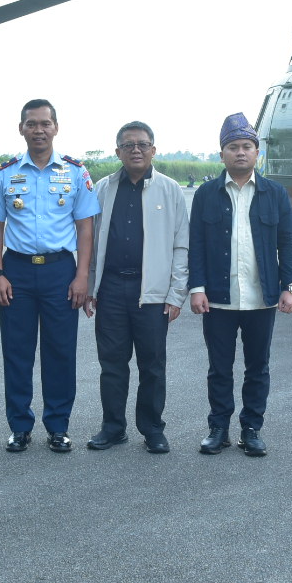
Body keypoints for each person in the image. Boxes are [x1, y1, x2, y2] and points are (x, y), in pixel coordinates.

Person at [0, 99, 100, 453]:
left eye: (45, 123)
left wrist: (82, 277)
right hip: (15, 270)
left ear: (56, 127)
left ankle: (58, 427)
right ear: (21, 128)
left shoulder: (76, 173)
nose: (38, 129)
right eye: (31, 123)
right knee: (17, 352)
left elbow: (85, 229)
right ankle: (20, 426)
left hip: (60, 270)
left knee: (60, 351)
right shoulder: (4, 174)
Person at [188, 112, 292, 457]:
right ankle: (218, 428)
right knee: (219, 368)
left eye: (247, 146)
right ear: (222, 154)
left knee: (257, 366)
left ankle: (251, 429)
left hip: (262, 298)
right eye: (233, 147)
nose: (240, 152)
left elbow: (286, 241)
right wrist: (197, 288)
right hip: (218, 299)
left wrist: (289, 287)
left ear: (257, 153)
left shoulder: (274, 194)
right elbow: (197, 245)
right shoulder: (206, 194)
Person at [85, 122, 188, 453]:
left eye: (143, 145)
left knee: (152, 365)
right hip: (112, 288)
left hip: (153, 293)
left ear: (154, 150)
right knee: (112, 363)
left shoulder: (170, 190)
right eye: (128, 145)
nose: (136, 150)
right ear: (117, 152)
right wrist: (90, 286)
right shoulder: (102, 188)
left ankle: (153, 429)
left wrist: (176, 294)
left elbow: (181, 246)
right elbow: (88, 241)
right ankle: (113, 427)